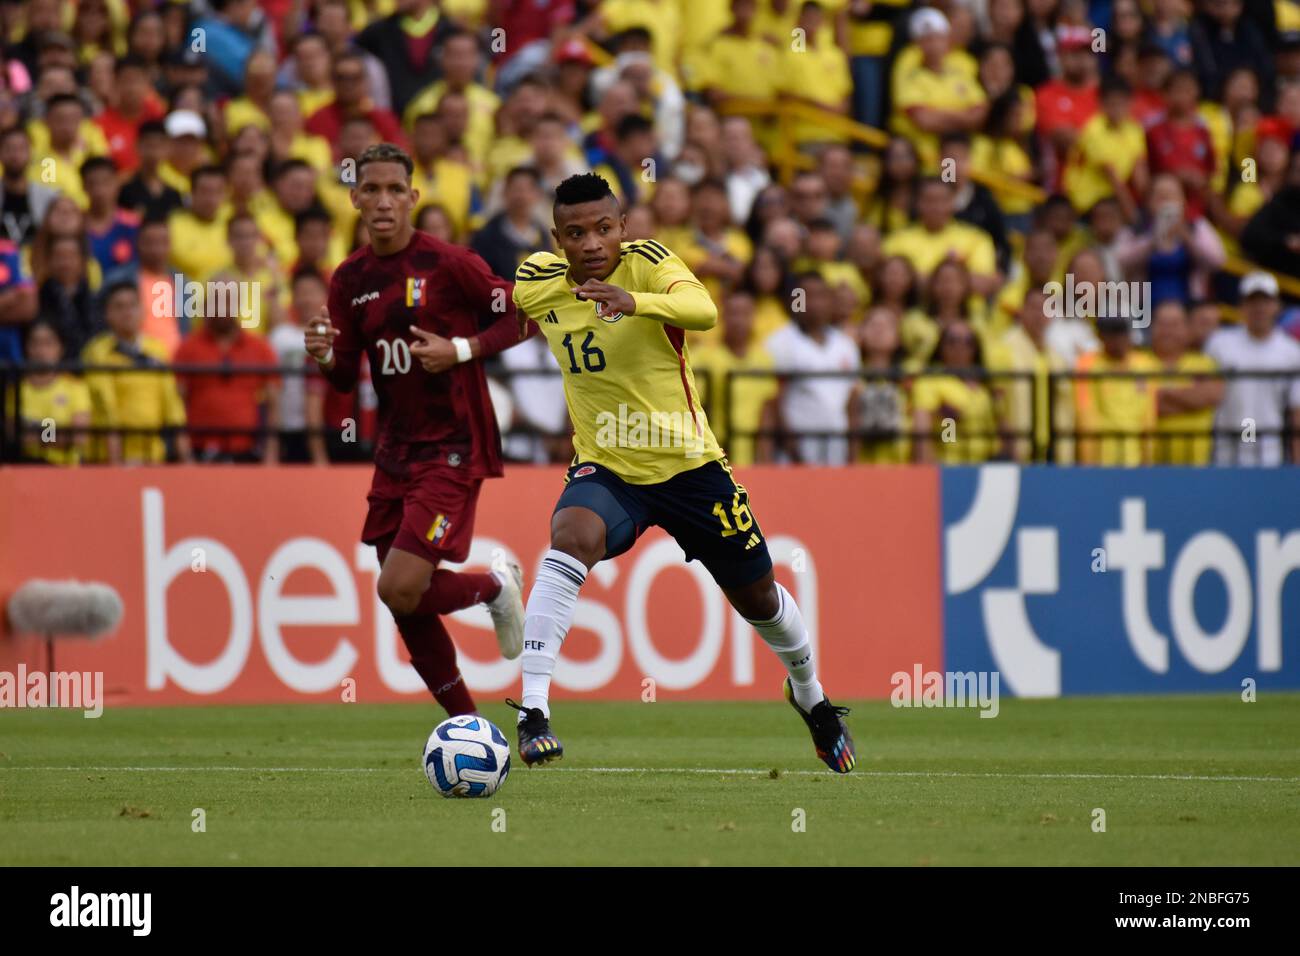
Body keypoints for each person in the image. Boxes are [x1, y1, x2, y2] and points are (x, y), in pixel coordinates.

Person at [508, 172, 855, 773]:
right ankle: (533, 712)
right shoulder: (538, 280)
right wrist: (458, 349)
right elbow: (503, 317)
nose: (591, 243)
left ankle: (811, 697)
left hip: (691, 468)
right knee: (570, 539)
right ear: (557, 238)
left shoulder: (648, 262)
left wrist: (634, 302)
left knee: (761, 597)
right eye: (575, 233)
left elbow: (704, 310)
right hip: (608, 466)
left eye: (602, 228)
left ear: (622, 226)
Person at [304, 143, 527, 719]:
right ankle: (468, 726)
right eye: (371, 190)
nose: (383, 201)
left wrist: (461, 348)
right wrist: (325, 356)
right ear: (354, 199)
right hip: (395, 453)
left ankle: (494, 589)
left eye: (394, 190)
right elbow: (346, 382)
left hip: (454, 443)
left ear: (413, 198)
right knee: (405, 601)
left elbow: (522, 313)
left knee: (398, 586)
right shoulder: (349, 279)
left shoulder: (451, 264)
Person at [1205, 271, 1300, 465]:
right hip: (1226, 451)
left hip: (1271, 454)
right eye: (1252, 301)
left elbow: (1296, 410)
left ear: (1277, 306)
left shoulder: (1291, 352)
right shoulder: (1219, 344)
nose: (1259, 308)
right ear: (1242, 305)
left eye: (1265, 301)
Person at [18, 319, 91, 465]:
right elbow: (15, 436)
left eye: (48, 343)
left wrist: (34, 430)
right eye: (35, 343)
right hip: (25, 470)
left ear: (60, 348)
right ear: (26, 348)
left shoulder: (75, 387)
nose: (41, 351)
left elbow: (78, 438)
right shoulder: (16, 389)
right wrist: (53, 432)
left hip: (63, 472)